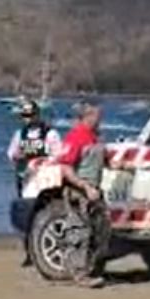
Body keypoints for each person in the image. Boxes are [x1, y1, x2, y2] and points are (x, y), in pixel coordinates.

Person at [51, 102, 109, 287]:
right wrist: (85, 187)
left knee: (100, 232)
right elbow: (66, 168)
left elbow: (104, 161)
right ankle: (79, 274)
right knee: (79, 232)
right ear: (88, 116)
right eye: (97, 116)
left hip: (95, 192)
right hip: (80, 191)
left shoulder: (96, 137)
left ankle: (92, 269)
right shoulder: (75, 137)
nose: (100, 119)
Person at [6, 99, 62, 190]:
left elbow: (59, 154)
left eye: (30, 115)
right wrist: (16, 156)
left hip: (45, 177)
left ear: (37, 115)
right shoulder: (19, 134)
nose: (27, 118)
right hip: (24, 177)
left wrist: (44, 159)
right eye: (24, 116)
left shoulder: (50, 134)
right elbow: (10, 153)